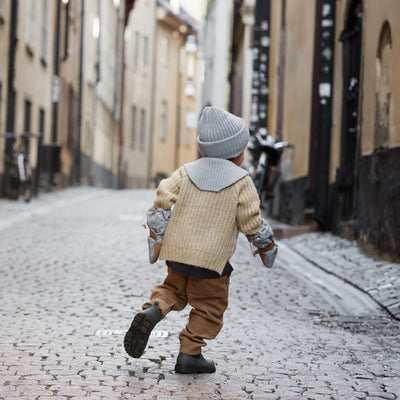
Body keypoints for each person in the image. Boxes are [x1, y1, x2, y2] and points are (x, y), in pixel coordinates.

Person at [124, 106, 277, 374]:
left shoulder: (186, 171)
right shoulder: (242, 181)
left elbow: (163, 197)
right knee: (210, 306)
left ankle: (154, 310)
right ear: (238, 153)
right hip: (211, 262)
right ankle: (190, 353)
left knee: (172, 289)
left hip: (178, 253)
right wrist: (266, 245)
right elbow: (251, 221)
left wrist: (158, 229)